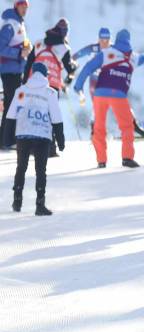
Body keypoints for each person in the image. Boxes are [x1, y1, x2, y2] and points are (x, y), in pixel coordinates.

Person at [74, 29, 144, 168]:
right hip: (119, 95)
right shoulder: (133, 57)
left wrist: (78, 86)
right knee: (127, 126)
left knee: (99, 127)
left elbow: (87, 68)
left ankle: (101, 161)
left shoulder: (106, 53)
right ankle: (127, 158)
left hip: (101, 93)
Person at [4, 62, 64, 215]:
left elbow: (11, 114)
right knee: (40, 171)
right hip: (42, 134)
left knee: (21, 167)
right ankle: (40, 205)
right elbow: (56, 117)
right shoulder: (50, 92)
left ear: (32, 74)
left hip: (23, 133)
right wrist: (60, 139)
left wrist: (6, 138)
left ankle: (17, 201)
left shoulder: (21, 90)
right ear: (45, 75)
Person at [24, 18, 76, 157]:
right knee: (50, 115)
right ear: (64, 32)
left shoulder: (39, 43)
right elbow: (69, 68)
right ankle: (49, 148)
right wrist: (74, 68)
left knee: (33, 114)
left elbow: (29, 63)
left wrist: (24, 83)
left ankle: (30, 147)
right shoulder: (64, 48)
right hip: (51, 84)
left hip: (33, 83)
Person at [0, 0, 31, 148]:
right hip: (8, 70)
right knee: (10, 104)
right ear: (16, 6)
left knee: (13, 104)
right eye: (22, 6)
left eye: (26, 7)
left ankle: (8, 139)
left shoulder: (20, 24)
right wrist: (20, 52)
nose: (24, 9)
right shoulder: (10, 24)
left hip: (16, 69)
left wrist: (25, 49)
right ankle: (5, 141)